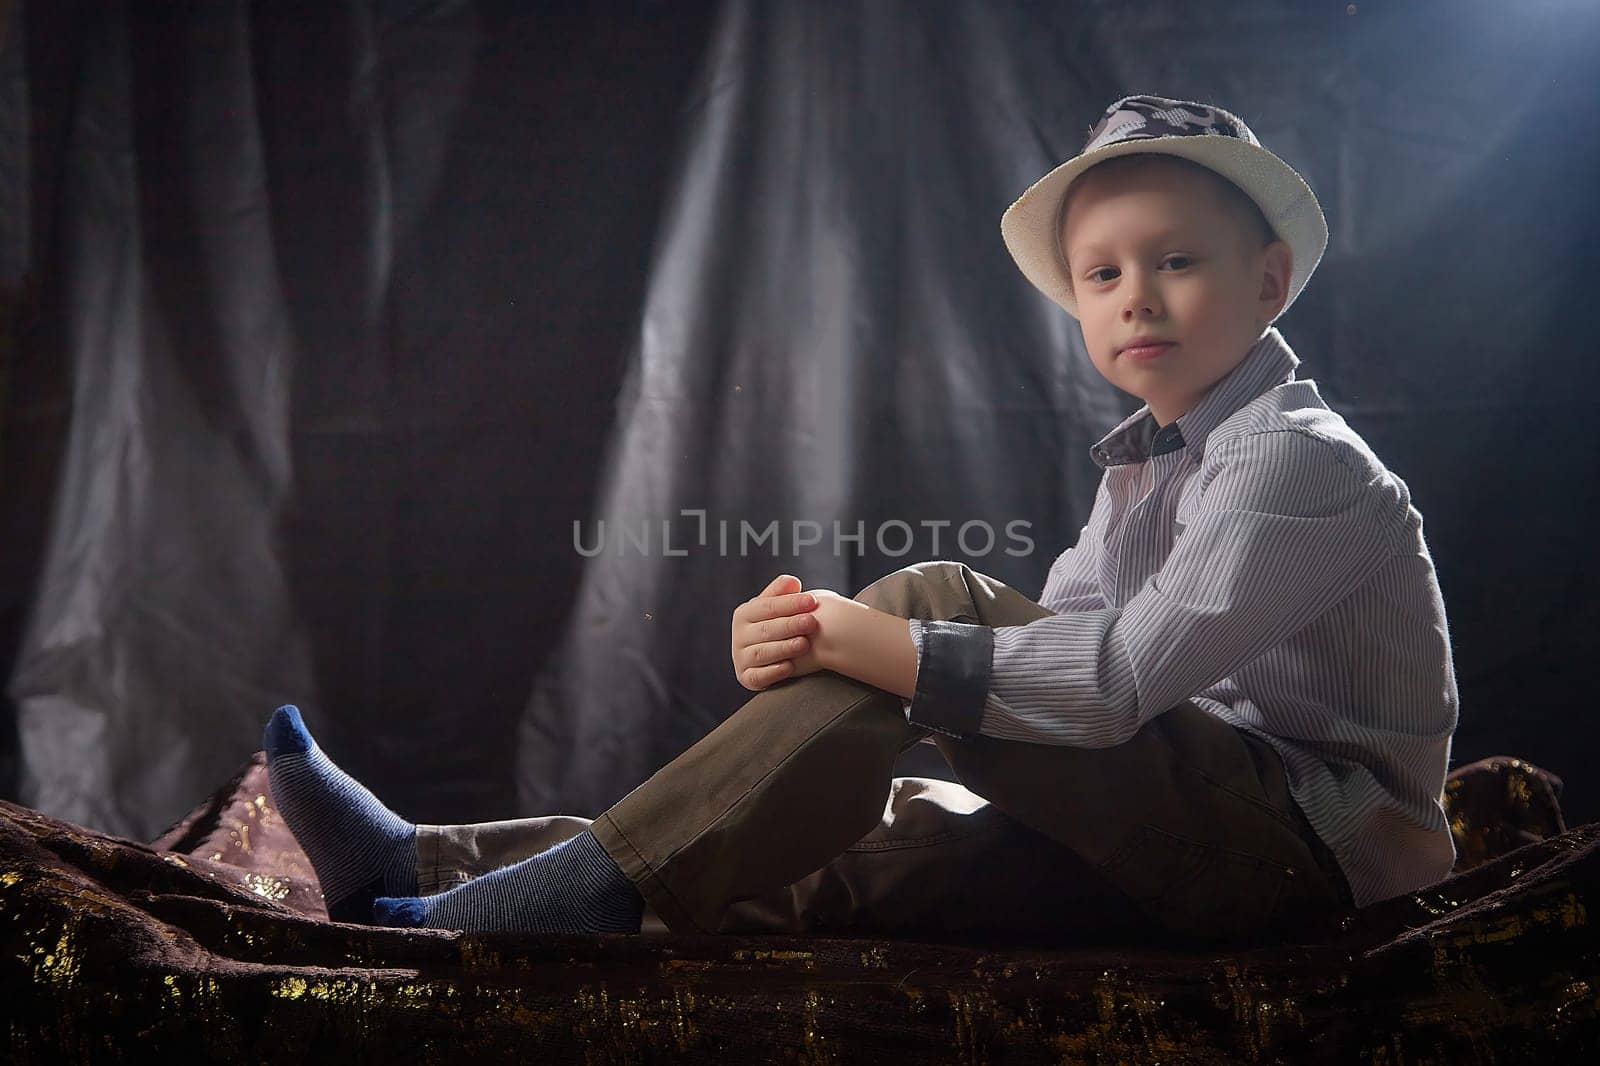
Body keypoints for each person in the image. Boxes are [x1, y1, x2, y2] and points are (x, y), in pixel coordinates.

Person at [264, 94, 1459, 946]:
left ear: (1267, 282)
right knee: (879, 834)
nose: (1134, 296)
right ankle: (431, 873)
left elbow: (1101, 686)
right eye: (1100, 274)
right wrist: (823, 651)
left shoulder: (1298, 463)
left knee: (931, 598)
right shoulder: (1145, 469)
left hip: (1313, 859)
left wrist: (865, 640)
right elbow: (1043, 668)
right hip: (1188, 819)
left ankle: (541, 894)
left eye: (1177, 261)